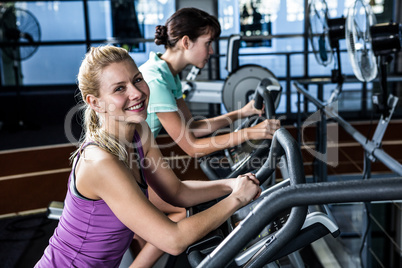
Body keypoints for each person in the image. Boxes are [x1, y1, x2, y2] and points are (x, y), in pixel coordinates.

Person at [34, 45, 261, 267]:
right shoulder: (100, 162)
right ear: (94, 102)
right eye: (119, 89)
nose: (137, 93)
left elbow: (177, 192)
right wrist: (237, 199)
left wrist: (232, 185)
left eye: (138, 79)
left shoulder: (140, 132)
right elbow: (173, 240)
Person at [140, 7, 281, 158]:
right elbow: (192, 147)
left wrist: (242, 113)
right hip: (122, 161)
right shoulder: (156, 80)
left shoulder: (169, 75)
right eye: (208, 43)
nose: (211, 51)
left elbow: (192, 127)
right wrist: (252, 132)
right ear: (186, 42)